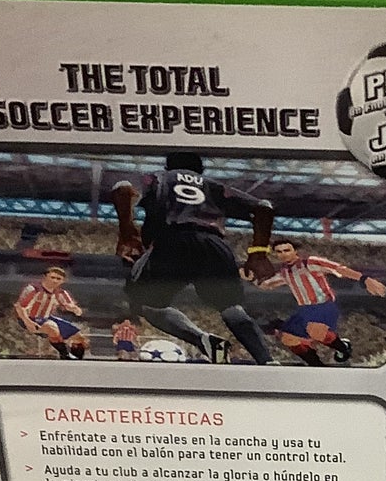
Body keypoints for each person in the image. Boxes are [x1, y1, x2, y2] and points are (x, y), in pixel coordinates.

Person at [111, 152, 277, 365]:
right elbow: (263, 207)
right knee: (230, 307)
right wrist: (258, 252)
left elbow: (123, 188)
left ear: (168, 166)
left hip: (171, 241)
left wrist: (127, 232)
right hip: (214, 245)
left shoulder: (158, 177)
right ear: (201, 169)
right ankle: (267, 360)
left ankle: (201, 339)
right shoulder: (214, 186)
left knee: (144, 303)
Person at [254, 239, 386, 366]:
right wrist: (251, 277)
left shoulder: (310, 263)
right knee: (288, 338)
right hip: (304, 310)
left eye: (286, 250)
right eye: (279, 252)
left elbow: (338, 268)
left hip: (323, 306)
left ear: (295, 251)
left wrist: (364, 279)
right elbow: (267, 284)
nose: (283, 254)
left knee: (314, 331)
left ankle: (343, 347)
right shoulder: (285, 272)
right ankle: (316, 365)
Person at [14, 265, 87, 358]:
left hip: (47, 317)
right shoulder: (34, 289)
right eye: (52, 277)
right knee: (52, 328)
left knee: (79, 338)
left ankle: (77, 358)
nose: (55, 281)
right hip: (31, 318)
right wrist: (27, 321)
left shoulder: (61, 293)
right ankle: (65, 354)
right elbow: (20, 306)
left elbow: (72, 307)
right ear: (45, 277)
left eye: (58, 279)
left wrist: (75, 309)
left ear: (63, 281)